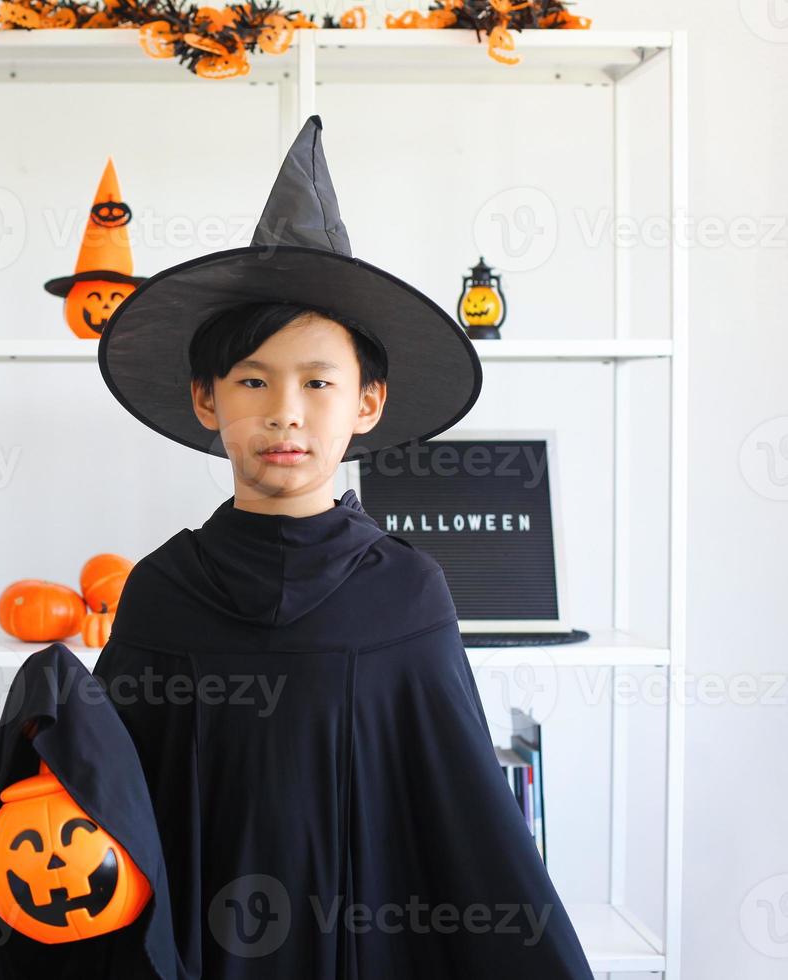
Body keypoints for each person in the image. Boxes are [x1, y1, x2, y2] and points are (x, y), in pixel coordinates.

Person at [87, 115, 595, 978]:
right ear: (208, 401)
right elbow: (107, 815)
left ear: (367, 404)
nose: (286, 410)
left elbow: (467, 825)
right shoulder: (163, 591)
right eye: (253, 380)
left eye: (319, 382)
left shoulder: (407, 596)